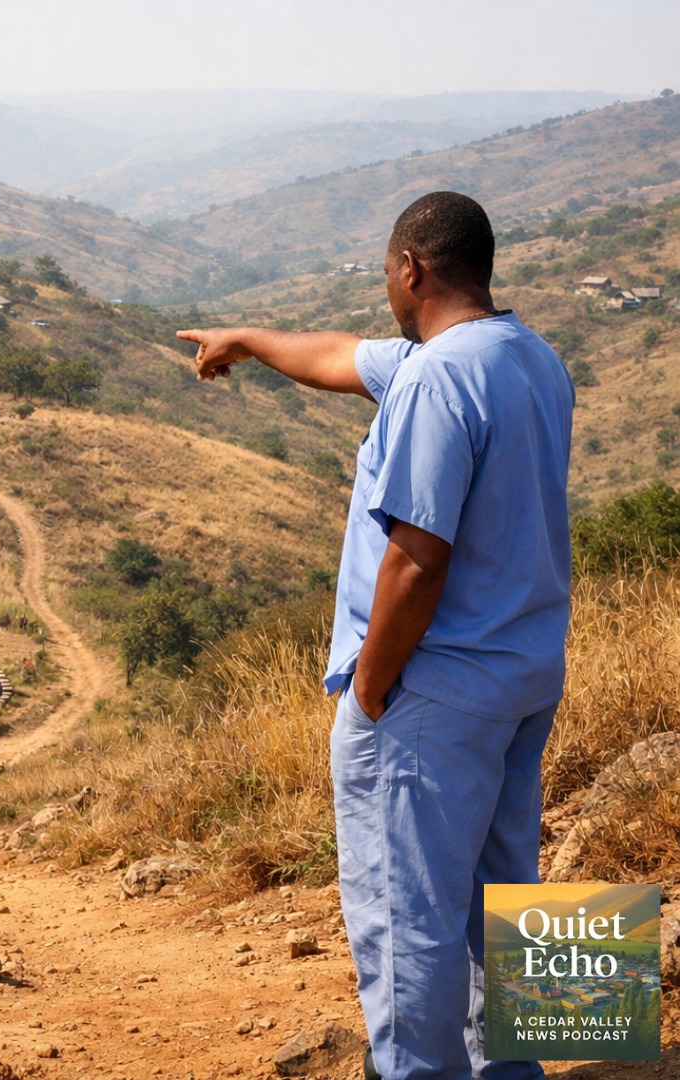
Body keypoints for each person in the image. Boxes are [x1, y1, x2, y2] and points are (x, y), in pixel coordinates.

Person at [178, 191, 574, 1080]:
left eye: (386, 273)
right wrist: (243, 337)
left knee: (407, 917)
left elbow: (417, 559)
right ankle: (527, 1067)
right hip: (524, 673)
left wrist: (370, 686)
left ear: (411, 269)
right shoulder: (532, 359)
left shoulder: (438, 378)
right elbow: (333, 357)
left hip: (431, 690)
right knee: (506, 895)